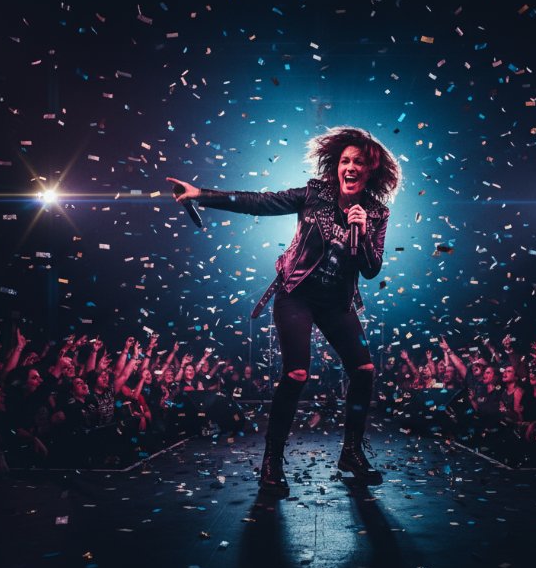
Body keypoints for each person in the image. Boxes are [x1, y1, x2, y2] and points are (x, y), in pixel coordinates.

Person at [170, 126, 400, 494]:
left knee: (364, 369)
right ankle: (272, 462)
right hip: (297, 294)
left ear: (370, 170)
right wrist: (202, 195)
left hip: (336, 303)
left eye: (358, 162)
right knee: (296, 373)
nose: (351, 167)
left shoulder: (375, 213)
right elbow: (260, 202)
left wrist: (361, 230)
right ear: (336, 166)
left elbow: (372, 270)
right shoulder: (314, 194)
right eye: (345, 161)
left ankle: (352, 452)